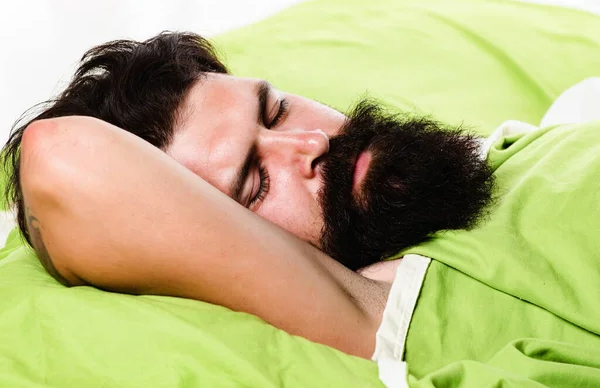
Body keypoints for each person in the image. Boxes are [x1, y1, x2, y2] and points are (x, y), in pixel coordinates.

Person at [3, 32, 600, 385]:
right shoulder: (379, 315)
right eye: (256, 184)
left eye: (276, 111)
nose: (310, 145)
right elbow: (63, 157)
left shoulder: (557, 121)